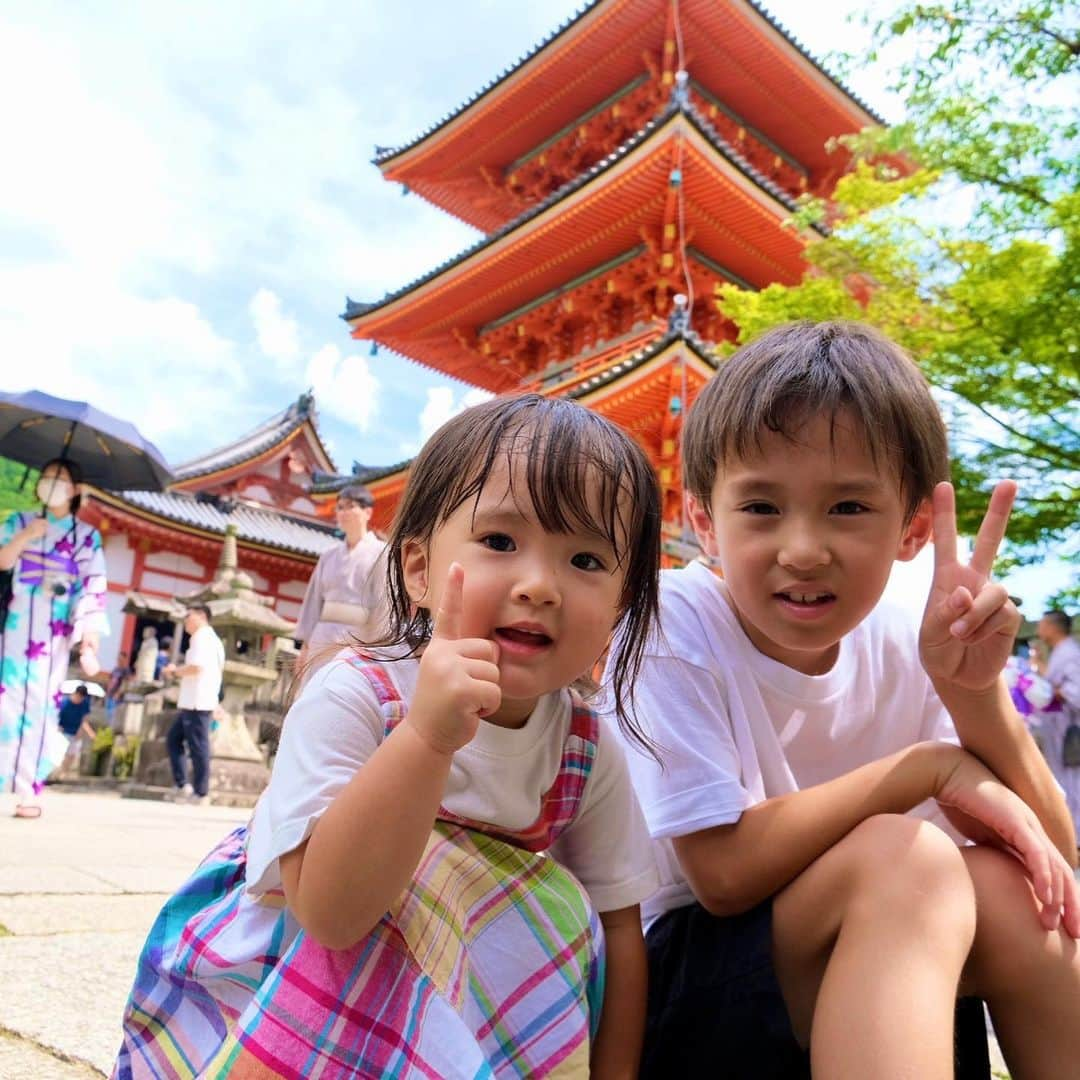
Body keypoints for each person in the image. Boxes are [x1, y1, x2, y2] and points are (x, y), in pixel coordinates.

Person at [114, 394, 661, 1079]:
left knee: (560, 908)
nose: (540, 585)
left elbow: (618, 927)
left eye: (586, 559)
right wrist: (429, 737)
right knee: (427, 874)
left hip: (477, 995)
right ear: (420, 569)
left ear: (619, 606)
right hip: (296, 984)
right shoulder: (357, 694)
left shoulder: (583, 746)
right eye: (500, 542)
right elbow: (330, 913)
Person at [610, 322, 1080, 1079]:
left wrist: (976, 695)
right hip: (687, 992)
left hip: (883, 957)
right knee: (909, 854)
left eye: (849, 509)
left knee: (1021, 886)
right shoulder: (672, 622)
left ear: (912, 529)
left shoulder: (913, 631)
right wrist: (925, 770)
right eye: (760, 507)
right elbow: (721, 877)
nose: (802, 548)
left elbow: (1054, 857)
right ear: (704, 522)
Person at [0, 458, 107, 819]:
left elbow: (93, 589)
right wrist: (27, 537)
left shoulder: (87, 537)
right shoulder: (20, 521)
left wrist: (89, 641)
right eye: (47, 477)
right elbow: (2, 560)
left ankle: (29, 789)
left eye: (60, 479)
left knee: (39, 704)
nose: (52, 483)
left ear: (75, 490)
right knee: (4, 700)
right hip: (13, 625)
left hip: (53, 632)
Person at [294, 483, 389, 672]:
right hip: (320, 639)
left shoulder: (382, 553)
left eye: (350, 506)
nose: (344, 512)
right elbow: (313, 603)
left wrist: (378, 650)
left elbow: (384, 605)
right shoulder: (328, 556)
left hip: (358, 641)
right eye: (340, 507)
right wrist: (305, 647)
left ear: (367, 512)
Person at [162, 604, 224, 803]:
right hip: (196, 700)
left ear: (201, 616)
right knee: (174, 740)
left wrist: (174, 671)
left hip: (197, 701)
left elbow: (196, 668)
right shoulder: (212, 640)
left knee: (198, 746)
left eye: (188, 616)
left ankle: (201, 792)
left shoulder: (202, 637)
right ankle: (183, 785)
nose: (186, 621)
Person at [1034, 609, 1080, 843]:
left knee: (1074, 783)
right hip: (1058, 730)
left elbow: (1077, 693)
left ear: (1053, 626)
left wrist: (1049, 689)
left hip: (1070, 730)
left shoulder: (1069, 654)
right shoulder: (1061, 652)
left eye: (1042, 624)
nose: (1039, 629)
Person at [104, 652, 131, 722]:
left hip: (117, 696)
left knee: (113, 714)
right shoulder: (115, 669)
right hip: (110, 694)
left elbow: (125, 683)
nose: (119, 660)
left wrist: (118, 693)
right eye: (118, 658)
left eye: (121, 658)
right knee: (107, 713)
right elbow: (110, 680)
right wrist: (107, 691)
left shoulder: (126, 670)